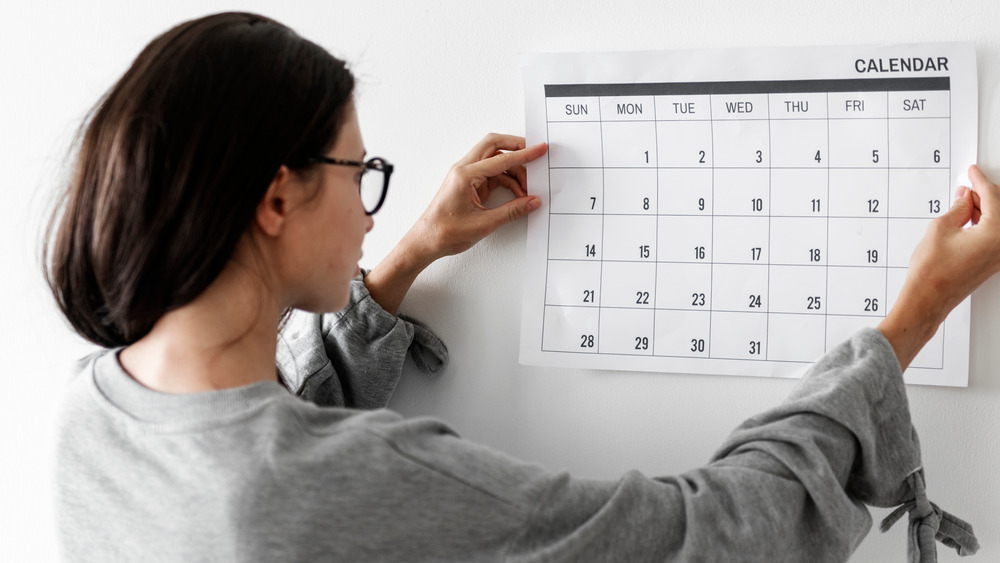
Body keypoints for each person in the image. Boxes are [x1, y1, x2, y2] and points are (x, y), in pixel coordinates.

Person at [46, 11, 987, 562]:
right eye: (358, 169)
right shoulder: (329, 481)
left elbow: (265, 430)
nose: (372, 207)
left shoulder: (96, 409)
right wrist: (910, 320)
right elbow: (707, 537)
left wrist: (412, 253)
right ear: (275, 198)